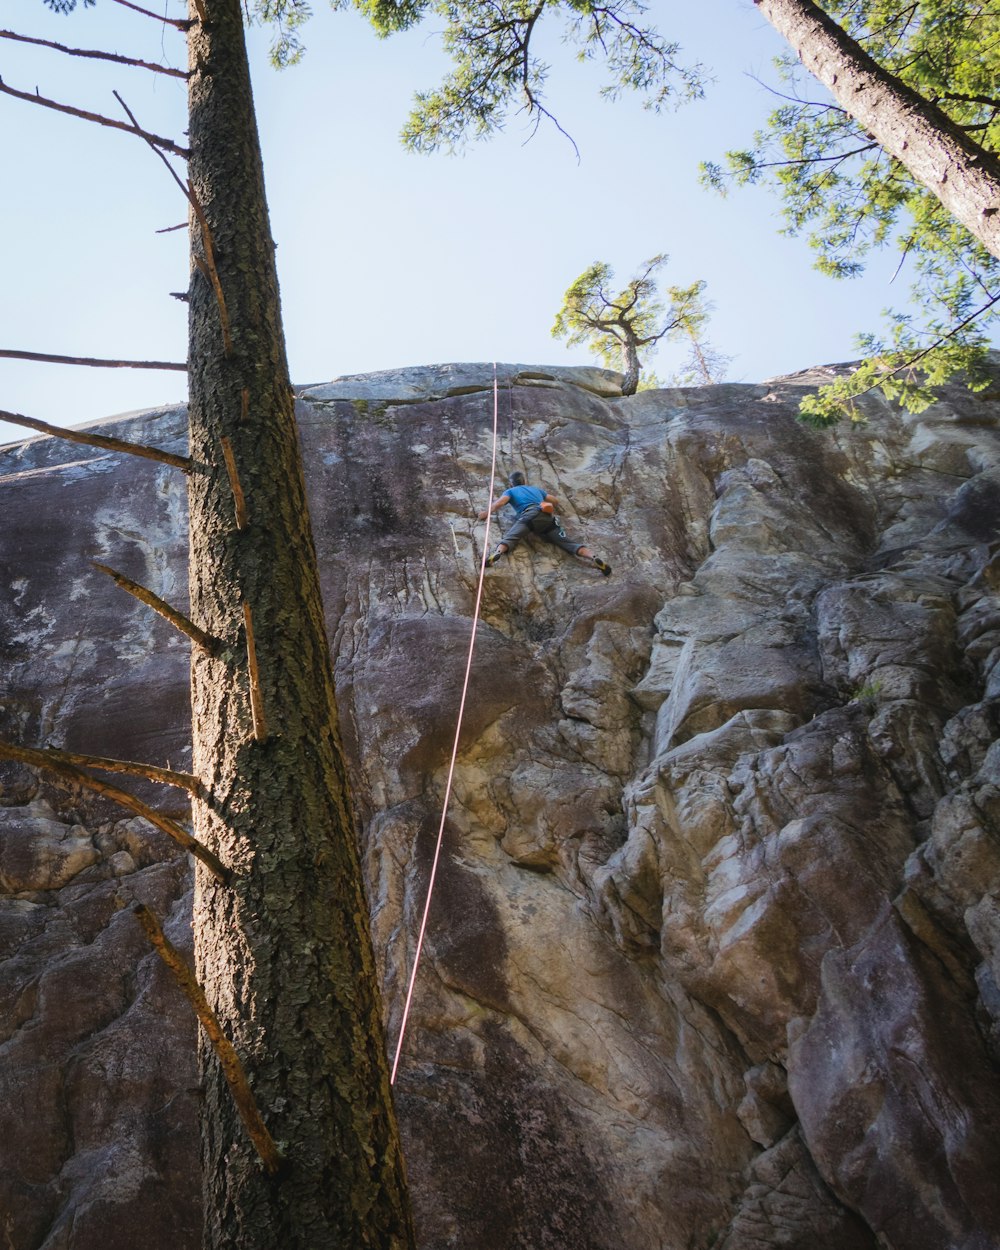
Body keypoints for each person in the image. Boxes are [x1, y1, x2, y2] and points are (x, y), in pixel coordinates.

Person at [477, 471, 612, 575]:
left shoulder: (511, 491)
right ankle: (593, 556)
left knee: (511, 537)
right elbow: (554, 500)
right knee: (569, 543)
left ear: (512, 483)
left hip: (530, 516)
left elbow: (500, 503)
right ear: (524, 480)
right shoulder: (536, 490)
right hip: (548, 518)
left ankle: (497, 553)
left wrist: (485, 513)